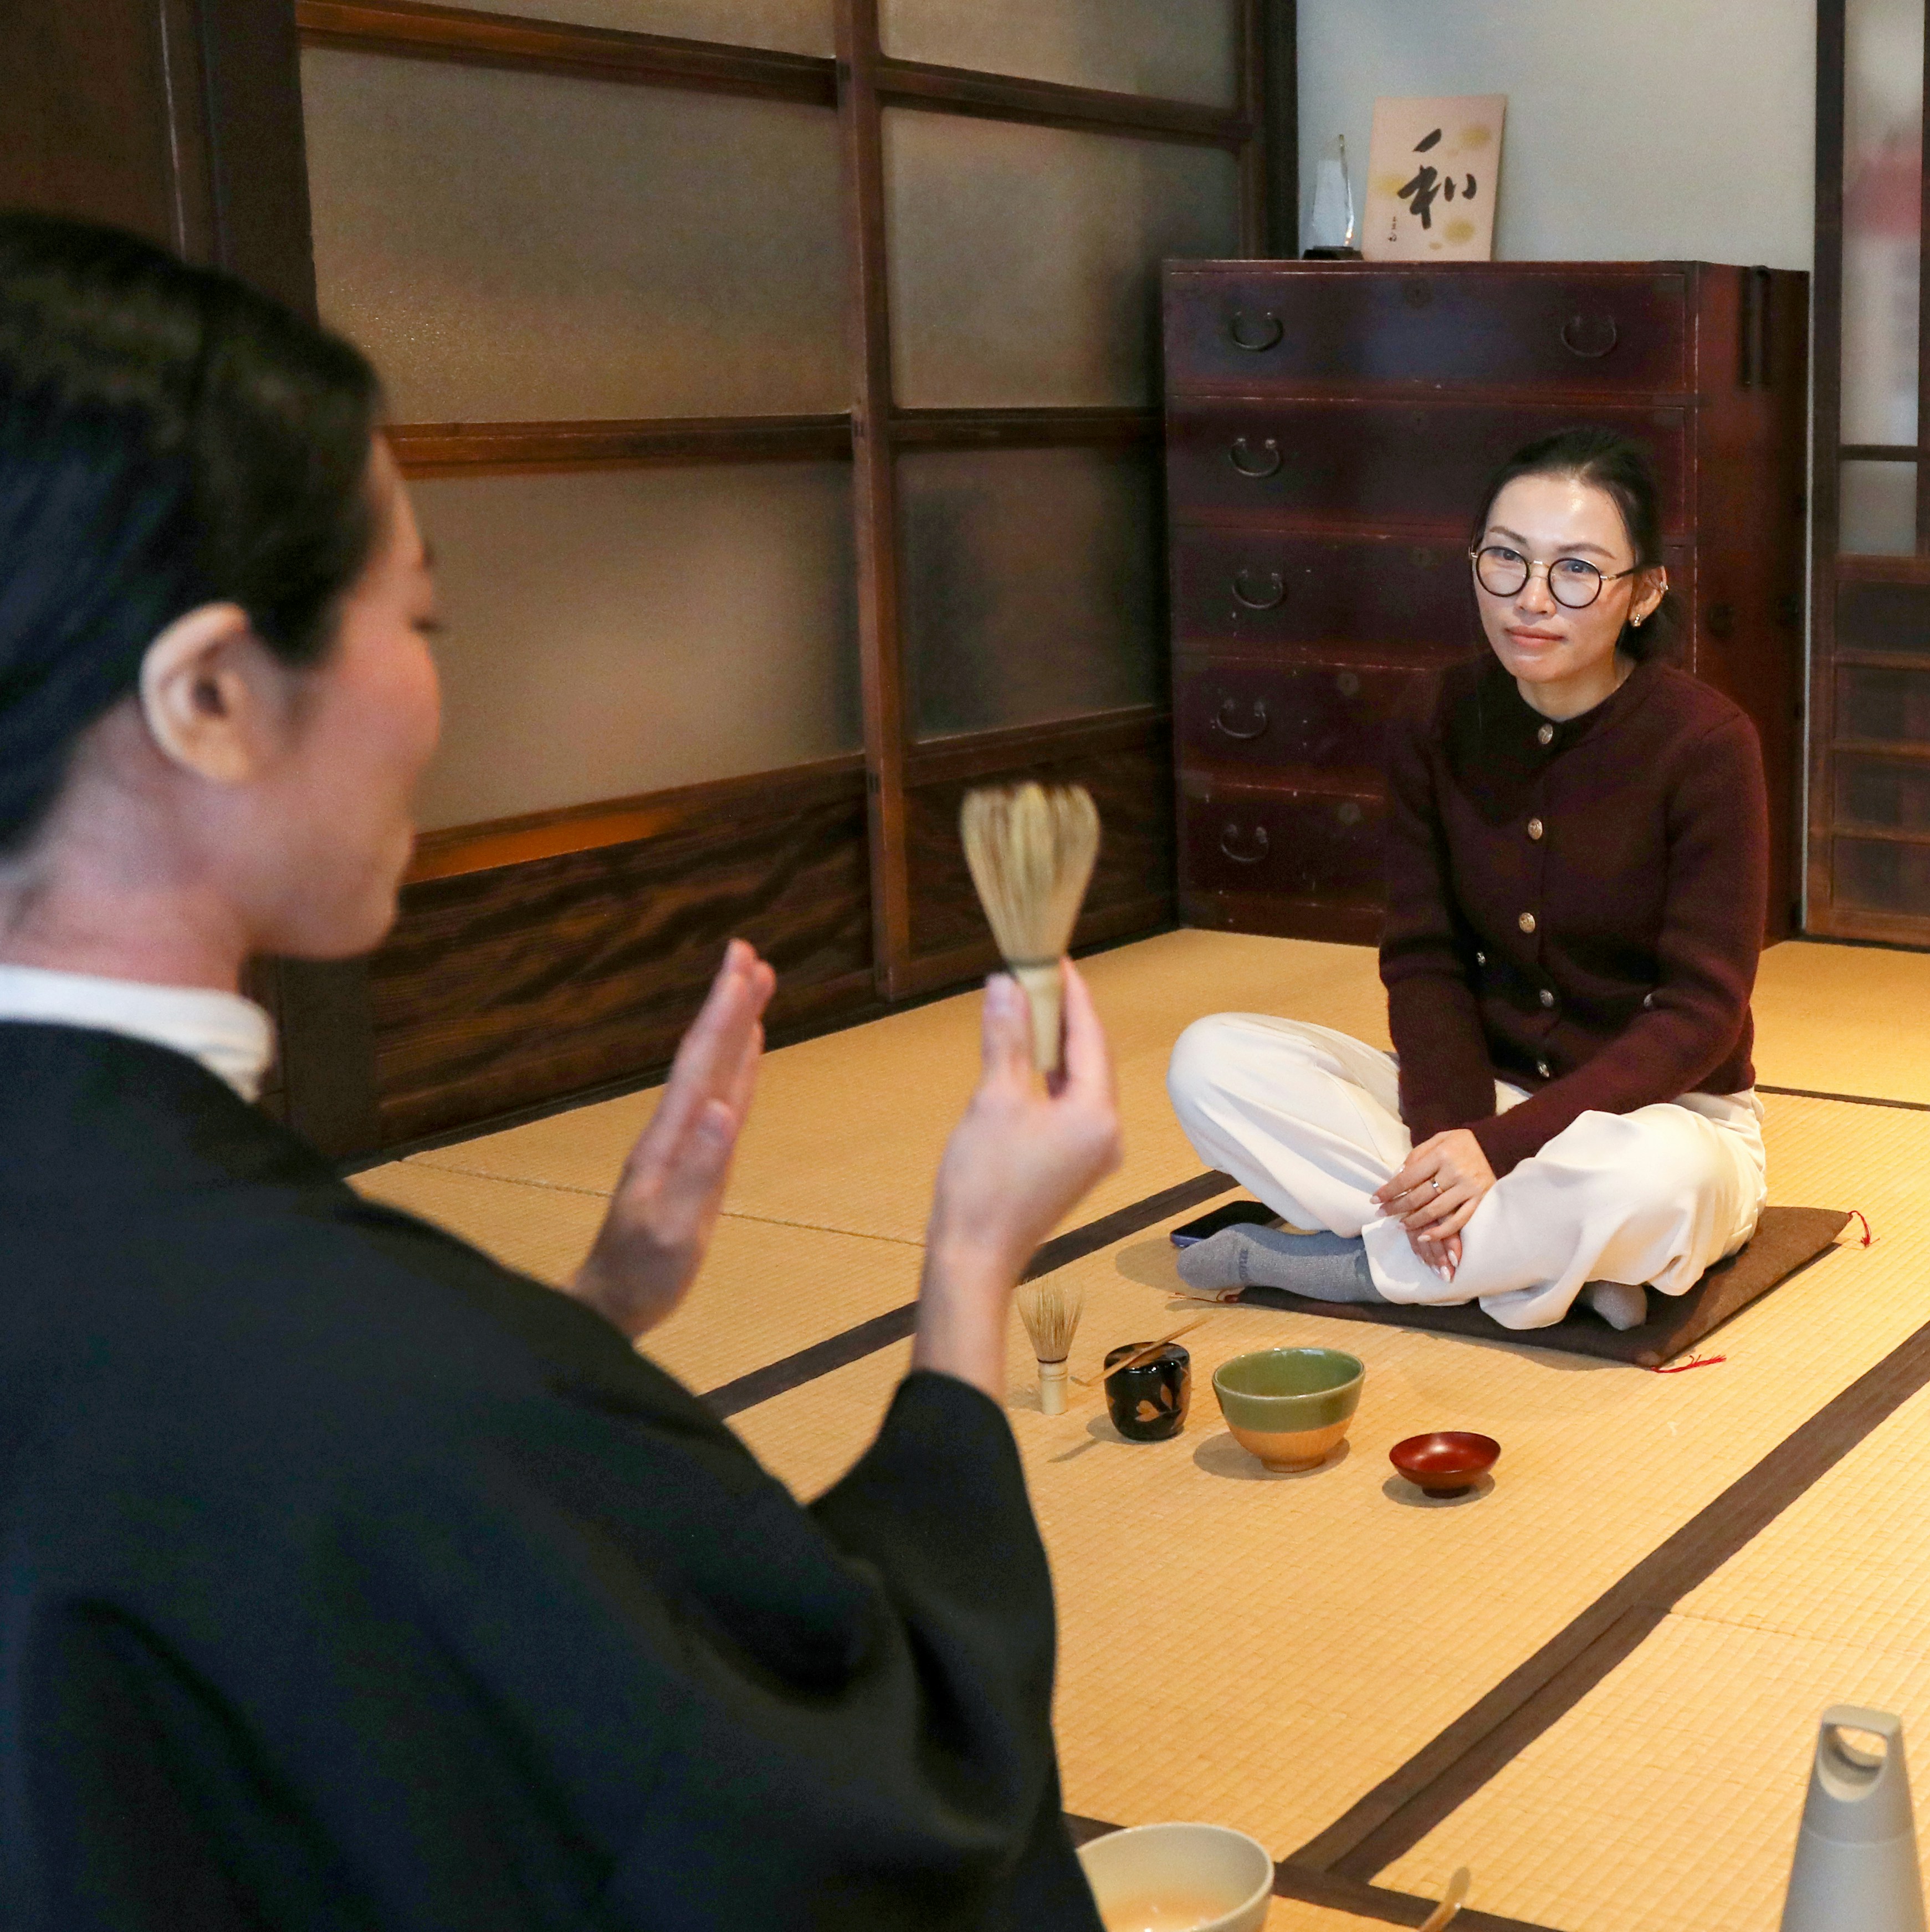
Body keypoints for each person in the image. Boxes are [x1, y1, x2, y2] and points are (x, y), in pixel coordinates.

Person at [0, 214, 1119, 1925]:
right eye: (420, 614)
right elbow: (868, 1808)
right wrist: (971, 1268)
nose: (437, 697)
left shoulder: (329, 1345)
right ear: (213, 693)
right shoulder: (378, 1378)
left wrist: (586, 1307)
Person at [1168, 428, 1769, 1331]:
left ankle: (1354, 1268)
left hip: (1660, 1119)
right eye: (1505, 560)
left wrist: (1498, 1148)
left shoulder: (1707, 745)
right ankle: (1545, 1266)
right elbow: (1423, 958)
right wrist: (1450, 1141)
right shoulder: (1435, 716)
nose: (1531, 599)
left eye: (1576, 571)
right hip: (1482, 1102)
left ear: (1643, 593)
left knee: (1649, 1183)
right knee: (1212, 1061)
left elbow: (1701, 1013)